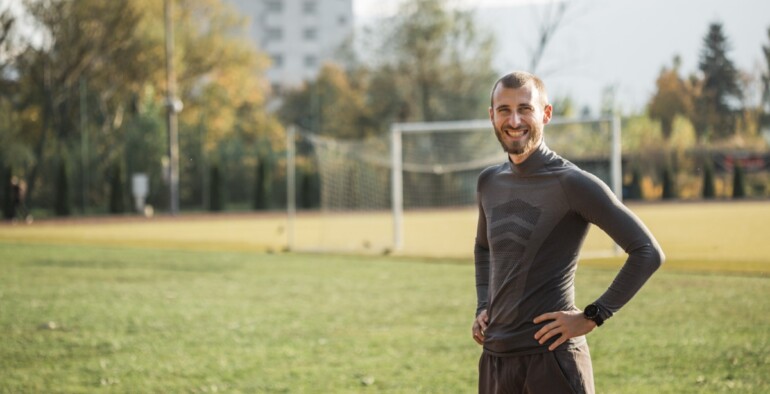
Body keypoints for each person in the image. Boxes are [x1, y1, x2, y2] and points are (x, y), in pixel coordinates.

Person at [471, 71, 664, 393]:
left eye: (525, 109)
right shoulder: (489, 181)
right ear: (492, 115)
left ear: (546, 113)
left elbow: (647, 251)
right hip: (495, 358)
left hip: (552, 360)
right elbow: (483, 248)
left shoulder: (572, 183)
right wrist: (482, 306)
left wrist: (592, 316)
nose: (514, 120)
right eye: (504, 110)